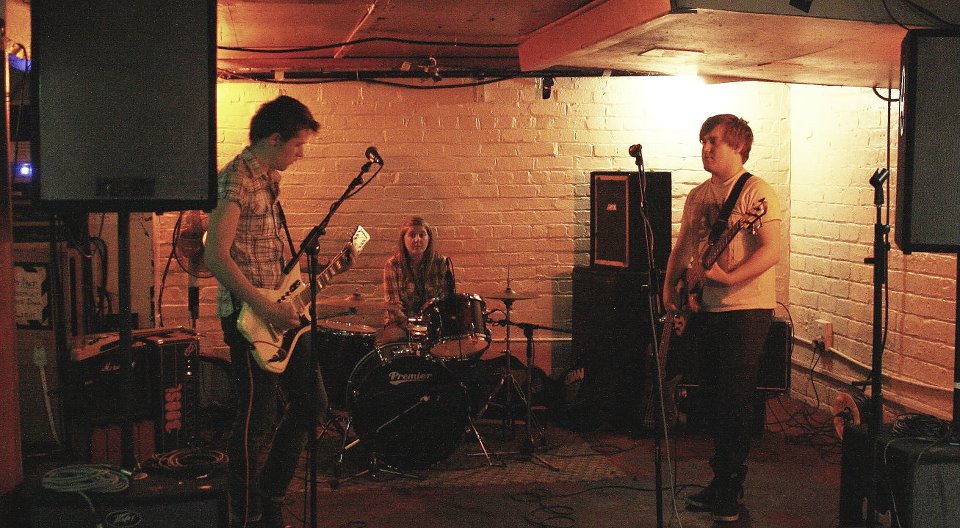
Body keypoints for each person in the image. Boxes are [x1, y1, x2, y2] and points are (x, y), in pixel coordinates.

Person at [205, 95, 353, 528]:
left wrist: (297, 291)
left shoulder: (268, 179)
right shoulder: (236, 181)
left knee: (312, 405)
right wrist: (265, 306)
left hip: (276, 309)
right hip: (249, 317)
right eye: (297, 144)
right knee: (257, 420)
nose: (301, 153)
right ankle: (246, 512)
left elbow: (265, 258)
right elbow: (215, 256)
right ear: (274, 139)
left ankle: (269, 493)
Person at [661, 114, 781, 523]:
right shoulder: (698, 195)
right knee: (712, 398)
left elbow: (771, 250)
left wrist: (729, 278)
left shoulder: (756, 192)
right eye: (703, 141)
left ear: (738, 146)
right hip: (705, 307)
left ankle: (731, 489)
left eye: (713, 141)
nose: (705, 148)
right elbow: (684, 245)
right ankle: (720, 481)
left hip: (746, 309)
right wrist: (670, 287)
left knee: (734, 399)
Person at [377, 216, 456, 347]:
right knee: (393, 339)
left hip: (433, 323)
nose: (417, 239)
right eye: (412, 235)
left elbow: (445, 300)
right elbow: (393, 306)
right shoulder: (393, 264)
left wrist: (430, 323)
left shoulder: (441, 262)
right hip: (400, 323)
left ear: (429, 239)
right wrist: (412, 326)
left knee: (454, 341)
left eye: (422, 235)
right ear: (403, 239)